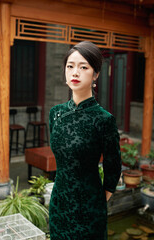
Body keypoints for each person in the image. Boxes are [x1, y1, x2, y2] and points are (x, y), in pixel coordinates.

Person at [49, 41, 121, 240]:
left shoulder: (104, 120)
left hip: (90, 209)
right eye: (70, 66)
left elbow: (113, 167)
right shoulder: (55, 114)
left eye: (83, 67)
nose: (75, 72)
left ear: (95, 74)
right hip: (59, 205)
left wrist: (98, 201)